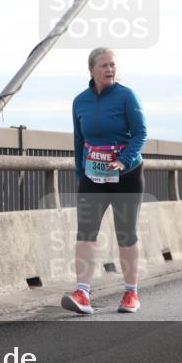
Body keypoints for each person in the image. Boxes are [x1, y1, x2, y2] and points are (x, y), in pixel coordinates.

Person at [61, 48, 147, 315]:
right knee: (85, 233)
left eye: (112, 65)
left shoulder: (126, 96)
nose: (110, 69)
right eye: (104, 65)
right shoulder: (80, 101)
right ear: (91, 70)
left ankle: (131, 293)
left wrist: (123, 160)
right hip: (93, 177)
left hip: (126, 175)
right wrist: (81, 174)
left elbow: (141, 133)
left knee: (126, 234)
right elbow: (79, 141)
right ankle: (83, 293)